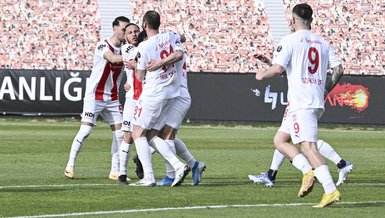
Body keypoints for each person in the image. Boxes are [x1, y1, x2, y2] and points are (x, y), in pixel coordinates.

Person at [255, 3, 344, 208]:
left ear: (292, 20)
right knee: (280, 140)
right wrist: (325, 90)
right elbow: (338, 70)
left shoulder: (289, 40)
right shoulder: (322, 42)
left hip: (301, 103)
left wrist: (262, 75)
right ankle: (307, 171)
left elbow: (277, 69)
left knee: (308, 147)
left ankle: (330, 190)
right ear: (311, 21)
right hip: (313, 101)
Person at [249, 56, 353, 188]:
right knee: (284, 139)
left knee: (302, 141)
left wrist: (264, 73)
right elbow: (290, 69)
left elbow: (284, 69)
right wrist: (270, 63)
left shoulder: (300, 47)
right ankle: (271, 175)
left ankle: (323, 171)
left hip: (301, 103)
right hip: (303, 102)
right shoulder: (311, 50)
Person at [64, 16, 130, 180]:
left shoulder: (127, 48)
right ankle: (70, 165)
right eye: (123, 29)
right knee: (85, 130)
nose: (125, 33)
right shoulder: (103, 45)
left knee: (120, 134)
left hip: (113, 98)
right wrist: (133, 54)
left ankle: (115, 171)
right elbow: (113, 59)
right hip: (95, 95)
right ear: (114, 28)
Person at [129, 10, 189, 187]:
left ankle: (149, 177)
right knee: (151, 135)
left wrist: (136, 65)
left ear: (145, 25)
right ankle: (179, 166)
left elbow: (140, 77)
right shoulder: (170, 36)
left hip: (153, 93)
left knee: (137, 133)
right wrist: (162, 62)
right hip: (171, 93)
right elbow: (179, 54)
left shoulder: (144, 47)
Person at [145, 32, 206, 186]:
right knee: (161, 134)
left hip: (179, 95)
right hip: (174, 95)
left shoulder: (172, 52)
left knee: (166, 135)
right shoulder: (172, 47)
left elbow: (177, 51)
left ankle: (171, 175)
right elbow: (182, 38)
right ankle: (194, 165)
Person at [117, 23, 142, 184]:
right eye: (130, 32)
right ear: (125, 36)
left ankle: (140, 158)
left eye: (136, 31)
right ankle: (122, 175)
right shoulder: (126, 49)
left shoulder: (145, 46)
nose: (133, 34)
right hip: (133, 99)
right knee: (127, 136)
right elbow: (139, 57)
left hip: (148, 98)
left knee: (155, 135)